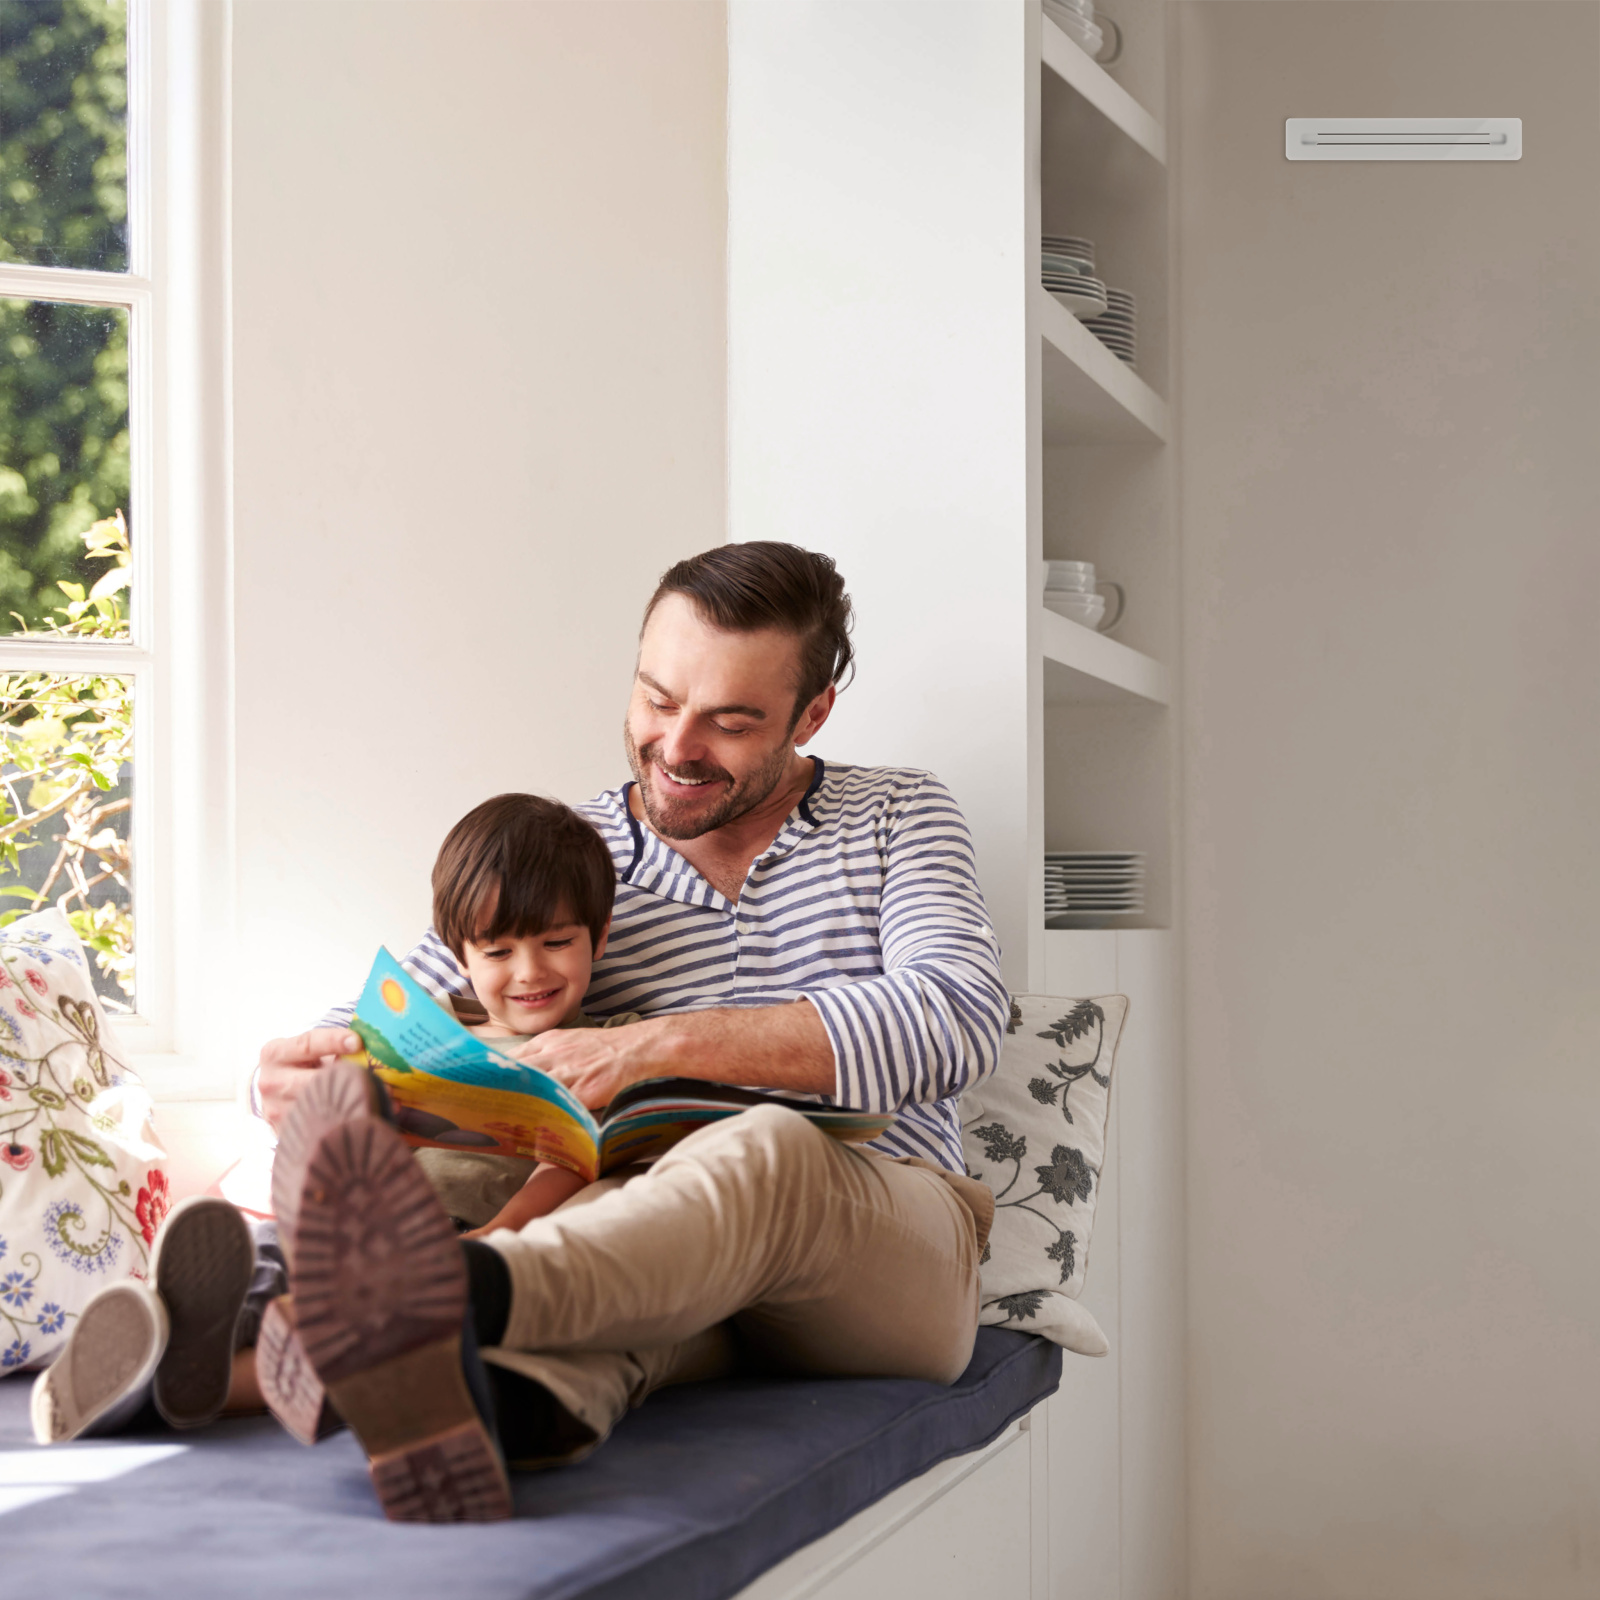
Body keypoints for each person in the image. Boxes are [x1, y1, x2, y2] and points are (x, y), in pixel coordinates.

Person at [257, 540, 1013, 1521]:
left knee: (767, 1149)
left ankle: (439, 1291)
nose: (677, 745)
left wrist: (650, 1046)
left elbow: (956, 1013)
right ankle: (472, 1412)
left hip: (878, 1253)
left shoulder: (898, 813)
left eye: (730, 722)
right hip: (666, 1247)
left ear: (812, 714)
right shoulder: (573, 854)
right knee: (594, 1308)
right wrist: (305, 1068)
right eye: (657, 700)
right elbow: (415, 998)